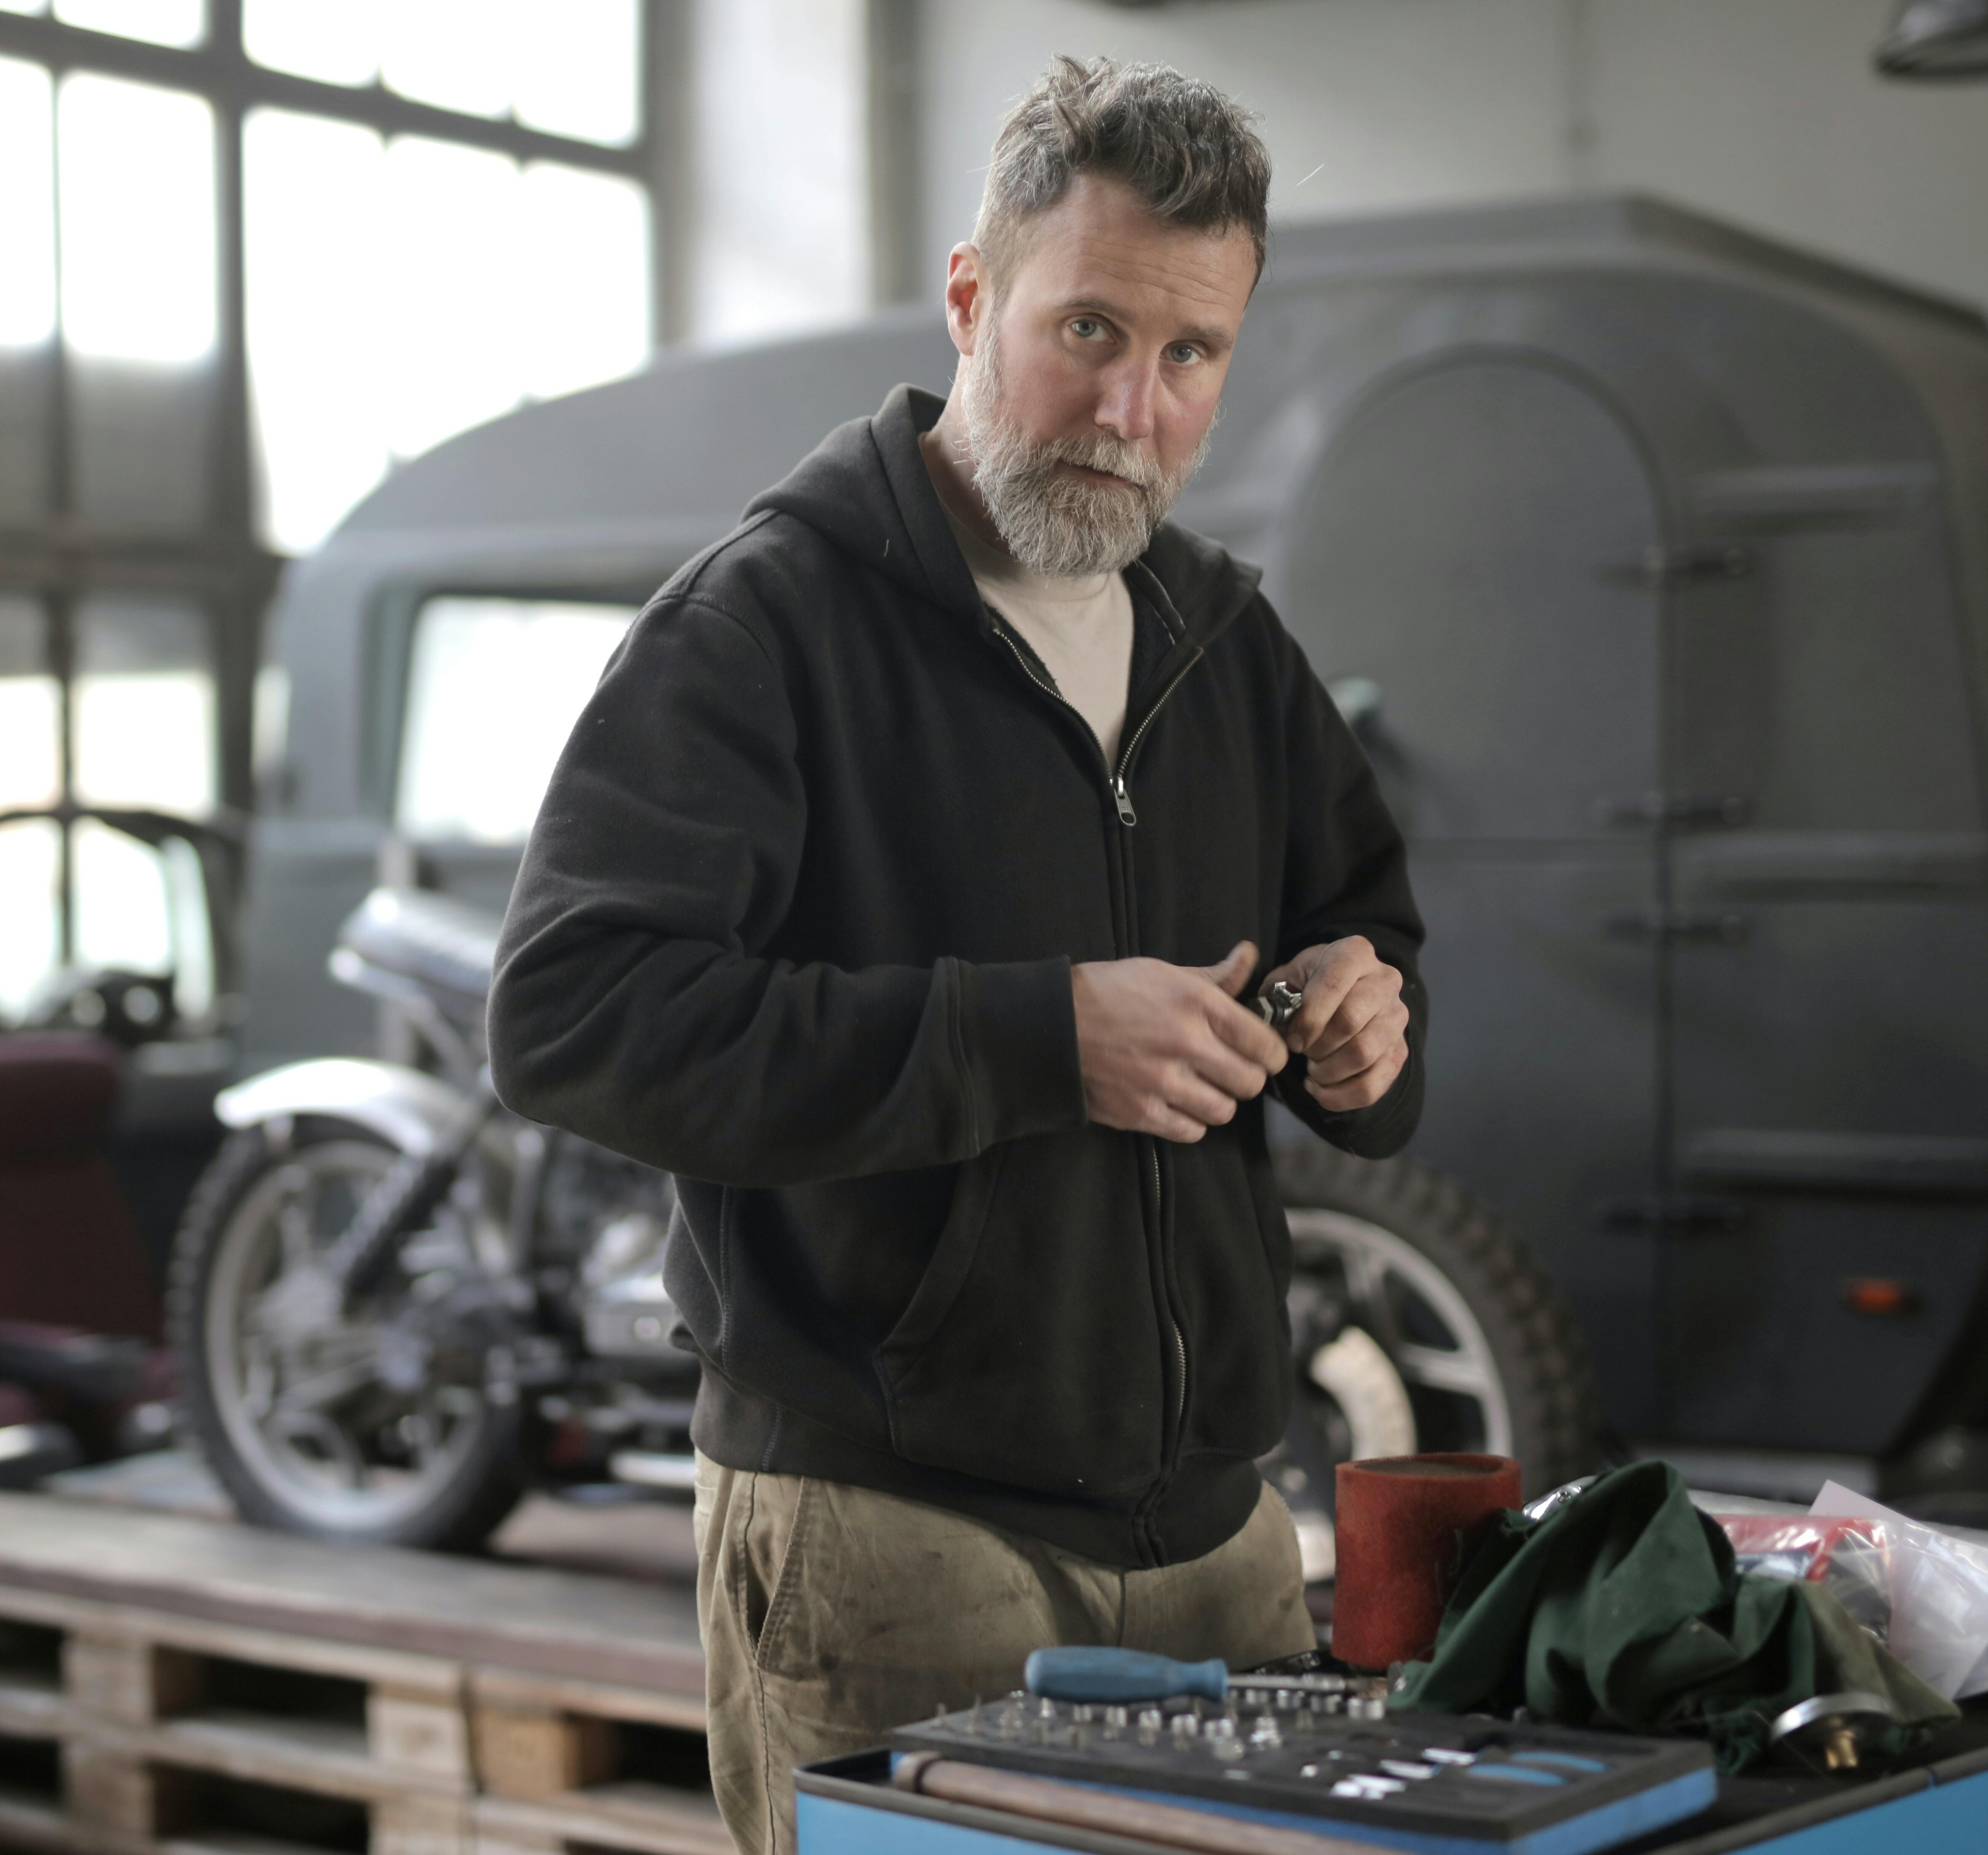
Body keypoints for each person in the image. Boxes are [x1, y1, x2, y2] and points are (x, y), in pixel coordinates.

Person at [485, 54, 1424, 1855]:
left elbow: (1369, 917)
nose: (1127, 409)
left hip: (1223, 1527)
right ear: (972, 294)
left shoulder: (1223, 637)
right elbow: (571, 1016)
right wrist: (1033, 1039)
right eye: (1085, 328)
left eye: (1188, 356)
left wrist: (1368, 1020)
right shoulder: (765, 622)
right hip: (888, 1527)